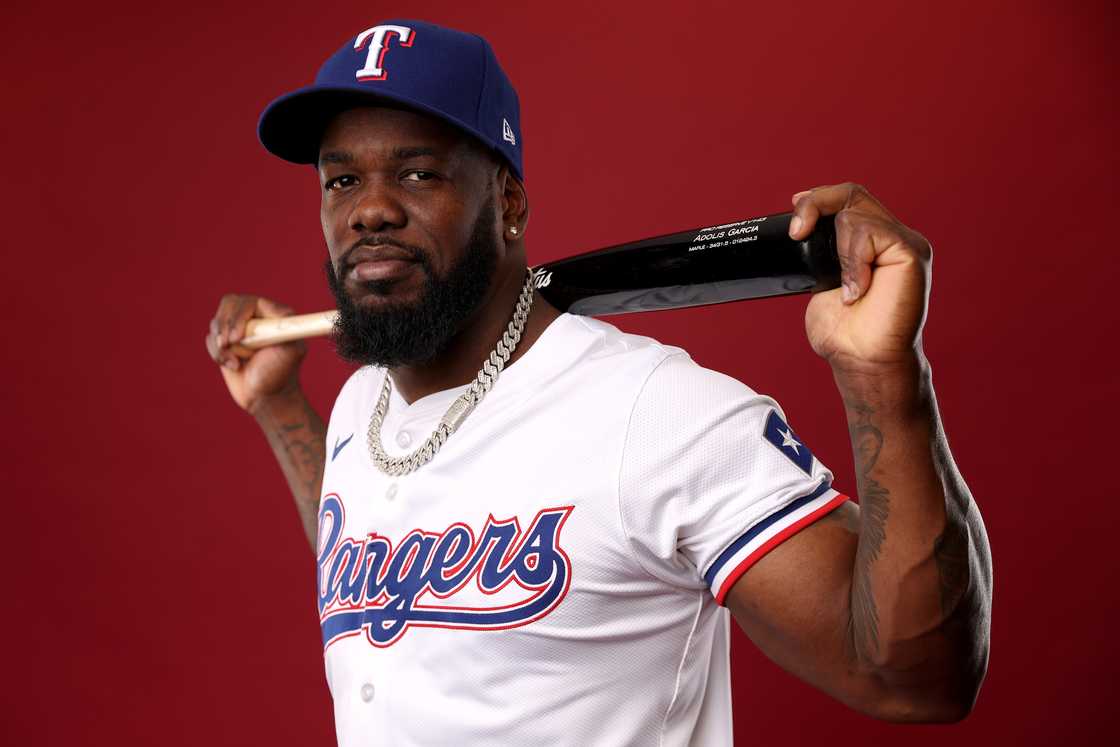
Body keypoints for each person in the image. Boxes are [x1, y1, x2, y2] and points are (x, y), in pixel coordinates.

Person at [205, 19, 991, 746]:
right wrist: (280, 407)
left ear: (507, 201)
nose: (370, 210)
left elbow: (915, 677)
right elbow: (375, 566)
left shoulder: (654, 412)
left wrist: (882, 374)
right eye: (341, 182)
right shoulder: (361, 400)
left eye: (416, 173)